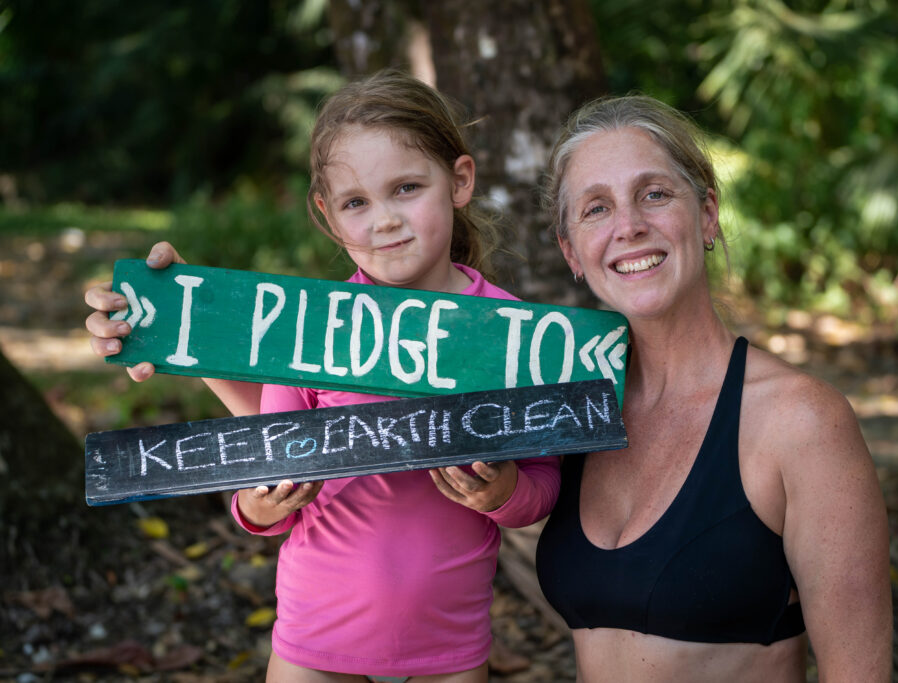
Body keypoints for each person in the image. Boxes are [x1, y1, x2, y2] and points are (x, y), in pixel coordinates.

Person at [84, 71, 561, 683]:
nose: (384, 220)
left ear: (459, 181)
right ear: (328, 215)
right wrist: (257, 505)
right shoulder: (313, 332)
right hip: (314, 642)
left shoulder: (513, 333)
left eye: (407, 188)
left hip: (451, 645)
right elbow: (267, 485)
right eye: (356, 202)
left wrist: (503, 494)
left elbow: (544, 484)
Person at [534, 95, 893, 681]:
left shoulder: (799, 421)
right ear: (572, 251)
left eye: (654, 194)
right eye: (596, 208)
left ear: (706, 215)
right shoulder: (576, 410)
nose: (629, 226)